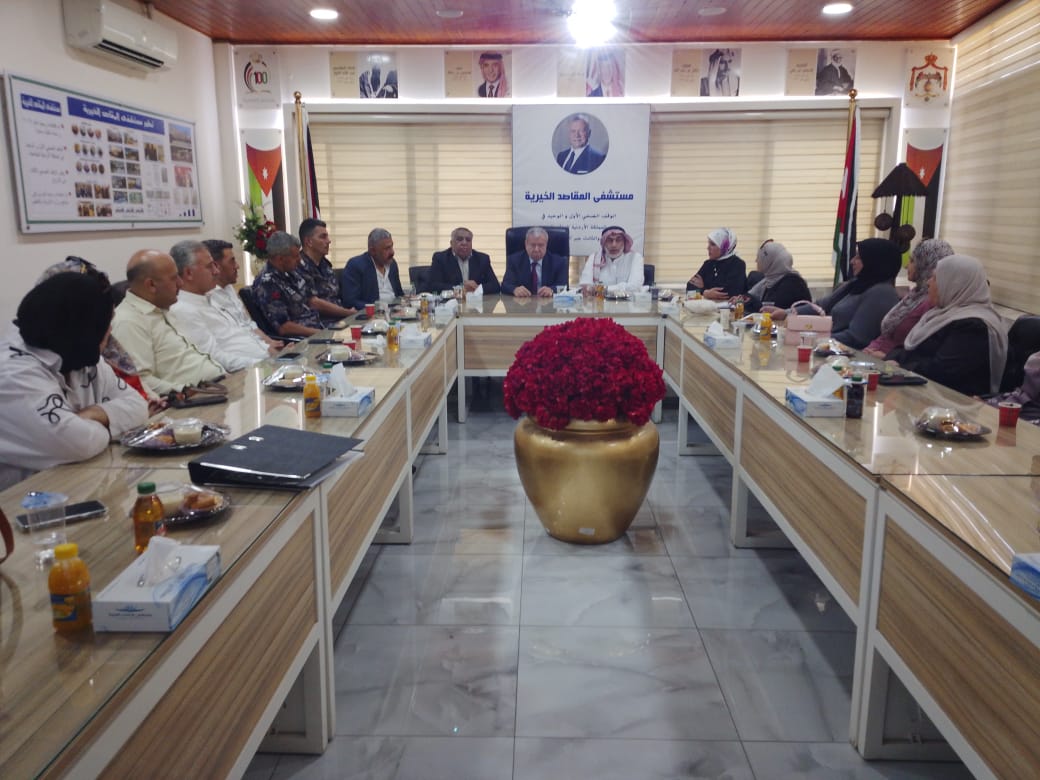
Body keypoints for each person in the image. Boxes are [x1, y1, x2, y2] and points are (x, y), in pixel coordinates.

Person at [0, 272, 149, 489]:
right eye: (106, 322)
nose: (109, 331)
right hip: (20, 499)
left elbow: (138, 406)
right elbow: (77, 444)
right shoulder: (12, 373)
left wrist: (93, 414)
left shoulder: (78, 353)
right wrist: (112, 422)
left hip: (80, 483)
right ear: (86, 326)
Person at [885, 254, 1008, 396]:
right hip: (920, 392)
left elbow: (941, 372)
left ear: (955, 285)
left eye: (935, 278)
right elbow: (909, 349)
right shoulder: (940, 313)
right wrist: (893, 358)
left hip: (951, 402)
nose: (928, 282)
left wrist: (901, 365)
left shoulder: (974, 326)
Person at [112, 249, 226, 395]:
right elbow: (141, 382)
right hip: (195, 398)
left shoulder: (162, 307)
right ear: (151, 285)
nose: (180, 283)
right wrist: (185, 391)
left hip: (218, 385)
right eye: (174, 278)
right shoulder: (128, 322)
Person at [773, 237, 902, 349]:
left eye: (858, 257)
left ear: (874, 262)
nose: (852, 261)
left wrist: (810, 339)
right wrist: (786, 313)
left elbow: (856, 338)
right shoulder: (856, 284)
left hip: (846, 357)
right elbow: (820, 306)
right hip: (827, 348)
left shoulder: (882, 293)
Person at [169, 240, 274, 370]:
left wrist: (272, 353)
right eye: (209, 267)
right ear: (188, 273)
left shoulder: (210, 298)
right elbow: (214, 359)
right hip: (245, 372)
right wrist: (264, 364)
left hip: (262, 360)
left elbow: (243, 332)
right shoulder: (184, 310)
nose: (216, 271)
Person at [864, 238, 954, 358]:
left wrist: (885, 357)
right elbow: (886, 336)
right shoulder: (915, 294)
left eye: (912, 261)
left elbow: (917, 351)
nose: (906, 266)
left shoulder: (931, 302)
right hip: (872, 355)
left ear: (925, 264)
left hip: (891, 362)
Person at [203, 239, 283, 349]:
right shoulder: (208, 298)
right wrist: (266, 348)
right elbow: (231, 341)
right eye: (232, 261)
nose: (237, 266)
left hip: (258, 346)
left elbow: (249, 324)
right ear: (216, 266)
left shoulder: (229, 288)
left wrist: (270, 343)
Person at [252, 231, 327, 338]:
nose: (299, 260)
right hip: (303, 339)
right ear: (280, 259)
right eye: (295, 256)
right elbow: (284, 327)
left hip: (318, 328)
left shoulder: (290, 272)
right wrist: (320, 333)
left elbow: (310, 301)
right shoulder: (267, 283)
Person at [297, 218, 357, 321]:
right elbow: (313, 303)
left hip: (341, 320)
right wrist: (347, 313)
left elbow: (337, 295)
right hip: (319, 323)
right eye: (323, 237)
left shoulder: (325, 265)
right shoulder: (298, 266)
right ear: (309, 242)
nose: (329, 241)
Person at [735, 240, 811, 313]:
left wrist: (749, 302)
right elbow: (752, 296)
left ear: (770, 261)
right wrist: (743, 299)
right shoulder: (770, 279)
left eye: (760, 257)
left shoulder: (792, 283)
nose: (756, 260)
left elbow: (770, 308)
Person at [340, 228, 405, 311]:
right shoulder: (356, 265)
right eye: (387, 248)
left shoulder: (392, 264)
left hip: (396, 313)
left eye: (392, 246)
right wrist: (378, 308)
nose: (392, 252)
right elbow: (350, 302)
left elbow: (399, 294)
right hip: (373, 315)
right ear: (372, 251)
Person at [428, 227, 501, 294]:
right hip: (451, 302)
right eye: (460, 239)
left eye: (468, 240)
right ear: (451, 243)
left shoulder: (482, 259)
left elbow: (495, 286)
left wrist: (478, 288)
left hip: (476, 302)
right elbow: (433, 285)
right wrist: (461, 289)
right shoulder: (440, 258)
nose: (464, 243)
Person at [501, 227, 568, 297]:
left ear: (546, 245)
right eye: (533, 245)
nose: (536, 249)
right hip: (522, 302)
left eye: (541, 245)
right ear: (526, 244)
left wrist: (552, 290)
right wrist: (515, 289)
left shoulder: (559, 262)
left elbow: (563, 286)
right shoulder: (514, 260)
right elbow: (505, 285)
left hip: (547, 302)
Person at [687, 228, 746, 300]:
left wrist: (703, 287)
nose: (708, 248)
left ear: (724, 247)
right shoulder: (708, 264)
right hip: (708, 305)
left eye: (713, 244)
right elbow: (689, 289)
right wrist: (705, 292)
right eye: (708, 243)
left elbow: (728, 293)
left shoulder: (737, 264)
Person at [578, 225, 644, 290]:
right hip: (599, 297)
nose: (614, 245)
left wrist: (602, 289)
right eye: (609, 240)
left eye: (618, 240)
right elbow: (585, 284)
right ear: (603, 243)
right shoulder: (594, 258)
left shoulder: (635, 257)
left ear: (624, 242)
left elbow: (635, 286)